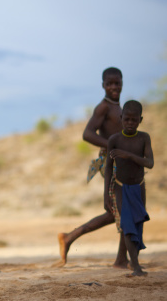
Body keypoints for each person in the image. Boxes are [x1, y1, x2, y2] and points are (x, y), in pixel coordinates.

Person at [57, 67, 129, 268]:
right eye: (110, 83)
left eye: (117, 82)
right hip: (111, 162)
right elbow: (87, 133)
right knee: (124, 211)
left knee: (115, 213)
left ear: (122, 82)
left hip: (121, 161)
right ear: (103, 86)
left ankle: (69, 237)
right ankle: (121, 259)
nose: (114, 86)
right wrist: (111, 144)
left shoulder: (118, 106)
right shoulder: (103, 107)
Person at [104, 100, 154, 276]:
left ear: (140, 120)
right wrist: (106, 196)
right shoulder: (114, 140)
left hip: (139, 187)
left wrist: (129, 155)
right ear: (121, 118)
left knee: (138, 223)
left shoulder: (144, 138)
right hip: (120, 187)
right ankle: (136, 265)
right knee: (126, 225)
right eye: (127, 119)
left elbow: (150, 163)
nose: (130, 123)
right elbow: (109, 167)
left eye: (134, 120)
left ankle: (134, 262)